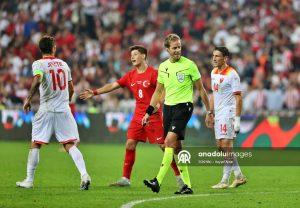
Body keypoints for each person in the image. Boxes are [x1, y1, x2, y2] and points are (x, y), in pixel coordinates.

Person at [79, 45, 184, 188]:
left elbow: (163, 89)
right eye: (131, 55)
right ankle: (125, 178)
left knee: (164, 147)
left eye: (135, 54)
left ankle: (179, 177)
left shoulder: (154, 73)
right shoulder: (130, 75)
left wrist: (159, 102)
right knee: (130, 143)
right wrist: (95, 92)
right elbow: (113, 85)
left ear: (144, 56)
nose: (132, 57)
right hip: (138, 116)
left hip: (153, 116)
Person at [16, 35, 91, 190]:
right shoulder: (64, 65)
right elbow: (71, 89)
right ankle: (84, 175)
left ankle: (29, 180)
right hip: (64, 109)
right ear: (54, 48)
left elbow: (37, 80)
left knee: (36, 143)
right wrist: (66, 102)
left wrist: (28, 99)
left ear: (40, 49)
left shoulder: (38, 63)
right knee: (69, 144)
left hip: (47, 108)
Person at [142, 34, 213, 194]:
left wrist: (209, 111)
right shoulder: (163, 67)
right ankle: (187, 186)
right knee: (177, 148)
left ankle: (157, 181)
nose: (177, 50)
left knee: (168, 142)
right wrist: (148, 111)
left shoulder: (189, 65)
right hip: (168, 108)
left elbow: (201, 90)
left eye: (179, 47)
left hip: (184, 107)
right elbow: (158, 91)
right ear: (167, 49)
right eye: (174, 48)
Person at [208, 46, 247, 189]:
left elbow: (239, 98)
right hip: (218, 113)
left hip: (228, 112)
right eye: (213, 55)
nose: (214, 58)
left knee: (226, 146)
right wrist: (210, 112)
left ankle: (224, 180)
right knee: (221, 147)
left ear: (225, 58)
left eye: (217, 56)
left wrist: (237, 119)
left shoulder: (232, 74)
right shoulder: (213, 72)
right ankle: (239, 176)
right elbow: (213, 93)